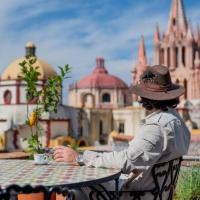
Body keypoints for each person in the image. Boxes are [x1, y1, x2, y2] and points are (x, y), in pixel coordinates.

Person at [54, 65, 191, 199]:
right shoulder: (177, 121)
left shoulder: (156, 126)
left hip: (135, 194)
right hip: (155, 192)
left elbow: (127, 161)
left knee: (77, 181)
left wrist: (80, 158)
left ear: (146, 97)